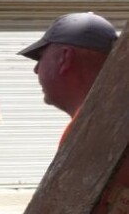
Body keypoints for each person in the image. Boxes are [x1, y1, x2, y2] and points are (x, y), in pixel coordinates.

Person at [18, 12, 119, 142]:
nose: (36, 69)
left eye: (40, 57)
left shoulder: (91, 131)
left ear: (64, 58)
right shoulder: (113, 120)